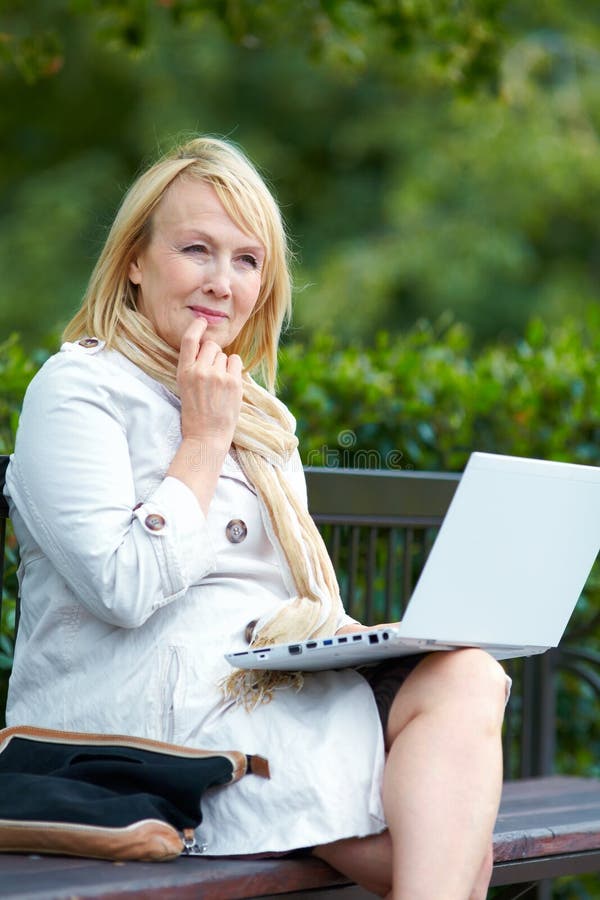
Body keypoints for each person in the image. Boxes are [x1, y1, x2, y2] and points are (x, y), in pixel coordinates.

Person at [4, 136, 508, 899]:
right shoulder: (77, 390)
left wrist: (356, 640)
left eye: (247, 260)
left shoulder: (262, 418)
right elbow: (121, 588)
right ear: (134, 261)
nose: (221, 281)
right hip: (138, 712)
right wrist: (202, 441)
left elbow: (270, 600)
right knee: (448, 855)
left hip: (258, 682)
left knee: (470, 675)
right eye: (196, 249)